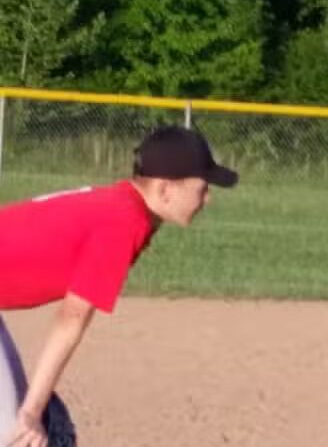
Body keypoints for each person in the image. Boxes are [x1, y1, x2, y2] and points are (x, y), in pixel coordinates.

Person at [0, 125, 237, 446]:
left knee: (23, 420)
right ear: (166, 189)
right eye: (202, 187)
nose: (207, 199)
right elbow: (71, 319)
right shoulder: (124, 223)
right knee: (17, 430)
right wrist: (31, 411)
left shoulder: (122, 205)